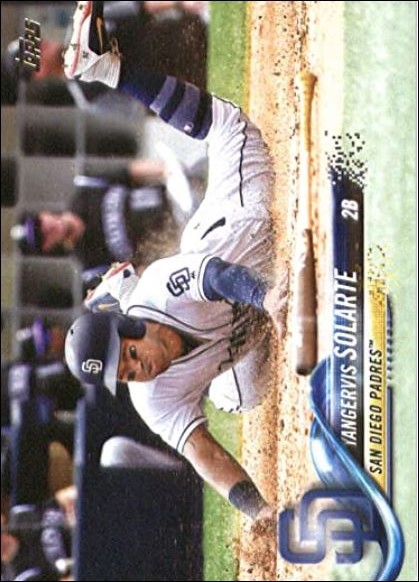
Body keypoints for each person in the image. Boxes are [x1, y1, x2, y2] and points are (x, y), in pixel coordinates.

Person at [63, 1, 288, 523]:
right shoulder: (152, 400)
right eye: (125, 374)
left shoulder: (161, 289)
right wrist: (256, 509)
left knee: (230, 126)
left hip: (243, 223)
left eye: (128, 355)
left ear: (132, 327)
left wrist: (269, 297)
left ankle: (110, 72)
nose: (136, 371)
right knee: (241, 397)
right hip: (242, 331)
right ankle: (132, 292)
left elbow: (216, 276)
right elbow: (202, 452)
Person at [11, 153, 197, 284]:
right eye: (41, 237)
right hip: (184, 240)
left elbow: (130, 172)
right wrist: (178, 256)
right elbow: (138, 275)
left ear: (43, 214)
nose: (46, 229)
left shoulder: (85, 187)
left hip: (179, 196)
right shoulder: (90, 265)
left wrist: (168, 170)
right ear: (47, 247)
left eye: (39, 224)